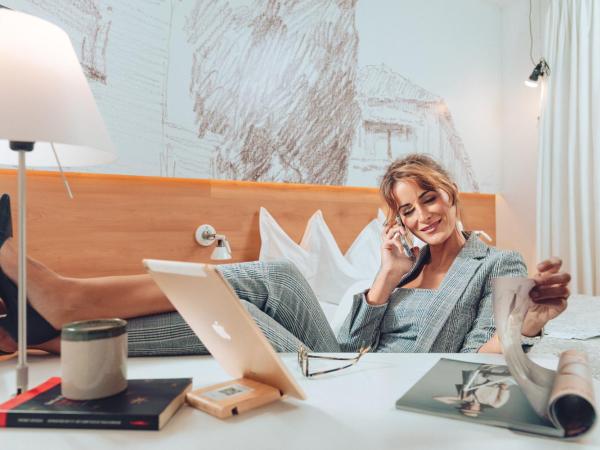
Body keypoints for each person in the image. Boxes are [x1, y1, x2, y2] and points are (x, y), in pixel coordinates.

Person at [0, 154, 570, 356]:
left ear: (451, 195)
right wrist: (383, 279)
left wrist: (528, 325)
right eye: (405, 210)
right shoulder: (407, 266)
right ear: (396, 221)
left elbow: (479, 358)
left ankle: (66, 306)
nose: (422, 215)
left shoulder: (498, 264)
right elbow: (354, 341)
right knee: (255, 296)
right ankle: (50, 328)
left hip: (376, 376)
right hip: (341, 357)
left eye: (429, 198)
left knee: (258, 294)